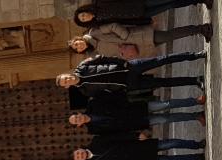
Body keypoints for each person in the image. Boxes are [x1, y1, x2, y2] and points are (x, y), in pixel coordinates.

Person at [57, 52, 206, 98]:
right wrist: (123, 91)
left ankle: (194, 55)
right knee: (163, 83)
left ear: (67, 74)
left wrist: (123, 63)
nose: (68, 80)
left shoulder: (83, 66)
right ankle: (195, 80)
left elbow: (102, 58)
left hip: (129, 68)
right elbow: (106, 95)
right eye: (65, 82)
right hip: (129, 84)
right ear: (67, 87)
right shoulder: (85, 91)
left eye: (66, 78)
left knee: (161, 60)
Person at [67, 133, 205, 160]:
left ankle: (196, 145)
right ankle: (196, 159)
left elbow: (118, 136)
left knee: (169, 144)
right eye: (78, 157)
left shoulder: (96, 141)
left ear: (80, 148)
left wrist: (135, 135)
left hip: (137, 146)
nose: (80, 155)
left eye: (78, 153)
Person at [67, 96, 206, 134]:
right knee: (166, 119)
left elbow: (111, 98)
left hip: (135, 108)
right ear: (79, 125)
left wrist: (126, 101)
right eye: (76, 121)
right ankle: (196, 116)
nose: (79, 118)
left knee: (165, 104)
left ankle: (195, 101)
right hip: (135, 123)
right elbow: (116, 133)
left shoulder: (92, 104)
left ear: (79, 113)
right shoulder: (93, 130)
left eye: (76, 116)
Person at [69, 23, 211, 59]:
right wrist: (124, 55)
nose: (79, 45)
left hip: (136, 36)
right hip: (137, 48)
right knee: (167, 38)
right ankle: (198, 30)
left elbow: (112, 26)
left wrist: (124, 36)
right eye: (77, 48)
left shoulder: (94, 32)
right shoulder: (94, 53)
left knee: (168, 35)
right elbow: (113, 56)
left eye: (77, 43)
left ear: (79, 39)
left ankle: (200, 29)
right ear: (80, 51)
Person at [73, 0, 213, 28]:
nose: (85, 17)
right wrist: (145, 22)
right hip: (139, 15)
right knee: (170, 5)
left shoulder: (99, 2)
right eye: (83, 19)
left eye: (83, 15)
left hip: (140, 2)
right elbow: (123, 23)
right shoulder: (100, 23)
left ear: (85, 11)